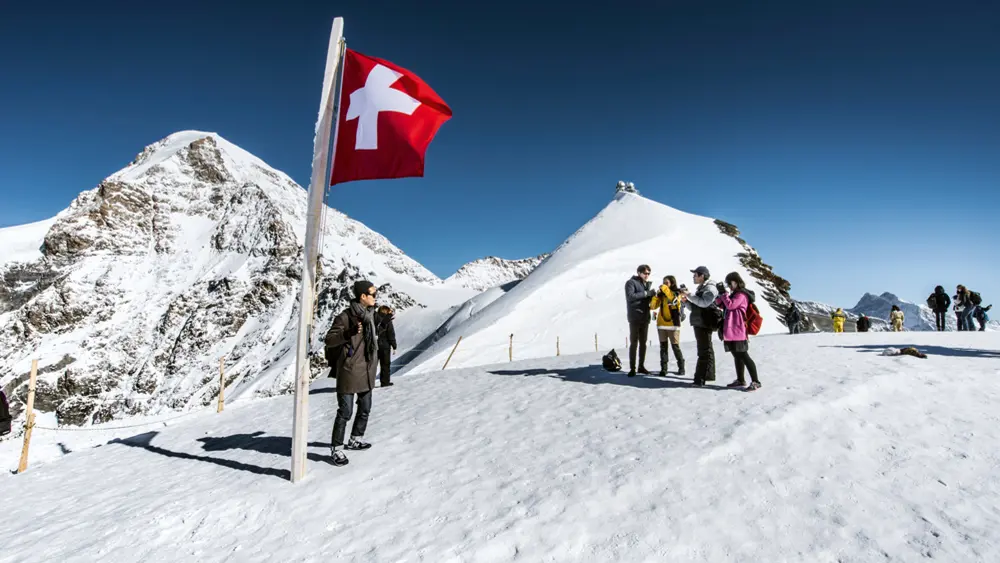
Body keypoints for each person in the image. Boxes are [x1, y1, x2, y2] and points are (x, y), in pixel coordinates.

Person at [324, 280, 380, 467]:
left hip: (367, 369)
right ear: (363, 296)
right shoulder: (345, 317)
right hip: (349, 370)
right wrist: (347, 334)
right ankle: (337, 448)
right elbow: (330, 339)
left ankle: (355, 439)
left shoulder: (372, 316)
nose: (376, 297)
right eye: (373, 294)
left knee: (365, 409)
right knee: (345, 412)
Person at [715, 272, 762, 391]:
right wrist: (720, 294)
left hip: (738, 329)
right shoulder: (733, 294)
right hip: (730, 330)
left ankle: (756, 381)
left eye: (729, 283)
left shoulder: (742, 295)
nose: (729, 286)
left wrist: (724, 294)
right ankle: (741, 379)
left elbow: (731, 305)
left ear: (735, 282)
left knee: (744, 355)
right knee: (736, 355)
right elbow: (720, 304)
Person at [680, 266, 719, 386]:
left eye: (695, 275)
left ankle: (699, 379)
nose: (693, 277)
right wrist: (686, 301)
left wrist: (689, 294)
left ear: (702, 276)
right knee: (706, 349)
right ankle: (707, 375)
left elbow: (704, 303)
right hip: (700, 321)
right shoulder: (703, 288)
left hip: (704, 322)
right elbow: (696, 307)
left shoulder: (710, 288)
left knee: (704, 351)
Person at [624, 265, 657, 377]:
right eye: (645, 273)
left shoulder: (646, 284)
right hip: (635, 317)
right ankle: (632, 368)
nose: (647, 275)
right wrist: (647, 293)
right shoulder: (631, 283)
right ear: (639, 272)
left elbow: (646, 300)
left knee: (643, 343)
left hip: (645, 317)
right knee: (634, 343)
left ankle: (641, 366)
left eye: (648, 273)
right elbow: (630, 296)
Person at [650, 275, 685, 376]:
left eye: (667, 283)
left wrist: (664, 288)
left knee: (675, 347)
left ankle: (681, 367)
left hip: (673, 325)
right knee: (663, 348)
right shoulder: (662, 295)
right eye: (663, 282)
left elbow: (674, 300)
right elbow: (652, 306)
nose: (664, 285)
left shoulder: (677, 293)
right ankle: (664, 368)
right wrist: (656, 296)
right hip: (661, 325)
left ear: (672, 283)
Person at [374, 306, 397, 387]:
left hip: (374, 345)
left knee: (372, 365)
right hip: (385, 346)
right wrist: (394, 346)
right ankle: (385, 382)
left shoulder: (374, 319)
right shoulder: (387, 321)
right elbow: (391, 334)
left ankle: (368, 383)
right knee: (385, 365)